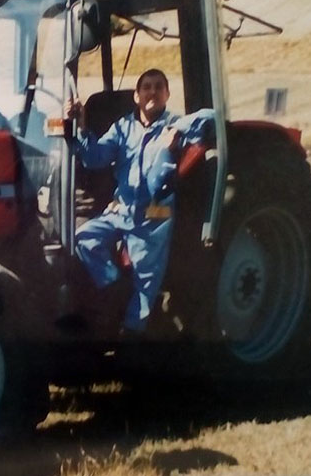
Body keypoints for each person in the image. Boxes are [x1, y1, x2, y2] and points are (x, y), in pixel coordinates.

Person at [67, 68, 210, 334]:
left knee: (146, 280)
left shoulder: (175, 125)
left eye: (158, 87)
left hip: (155, 213)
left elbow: (209, 119)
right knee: (84, 237)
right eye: (146, 87)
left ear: (167, 94)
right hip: (122, 209)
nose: (152, 92)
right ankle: (114, 287)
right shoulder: (123, 128)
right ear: (137, 96)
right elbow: (95, 157)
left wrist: (176, 139)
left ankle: (131, 337)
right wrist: (82, 124)